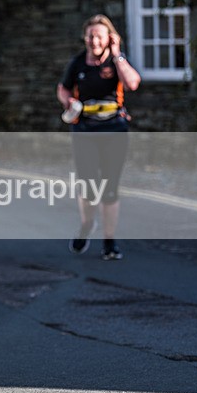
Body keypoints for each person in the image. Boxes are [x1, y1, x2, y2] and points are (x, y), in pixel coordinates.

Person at [56, 14, 141, 260]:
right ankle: (87, 224)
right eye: (90, 36)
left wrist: (117, 54)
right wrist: (68, 101)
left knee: (110, 188)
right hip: (84, 130)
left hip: (114, 129)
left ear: (109, 39)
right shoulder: (78, 63)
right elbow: (62, 87)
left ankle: (109, 241)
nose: (94, 41)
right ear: (85, 38)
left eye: (99, 36)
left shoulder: (117, 62)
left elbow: (133, 83)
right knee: (89, 185)